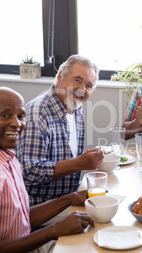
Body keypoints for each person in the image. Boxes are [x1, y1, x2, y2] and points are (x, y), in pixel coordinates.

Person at [0, 87, 94, 253]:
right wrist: (55, 230)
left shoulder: (6, 154)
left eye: (20, 116)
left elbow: (20, 220)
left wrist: (69, 199)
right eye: (5, 115)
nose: (17, 123)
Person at [17, 55, 104, 207]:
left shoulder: (75, 108)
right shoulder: (38, 112)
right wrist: (78, 163)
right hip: (39, 207)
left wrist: (87, 161)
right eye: (77, 80)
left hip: (67, 199)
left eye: (89, 85)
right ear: (60, 76)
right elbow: (29, 173)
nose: (82, 89)